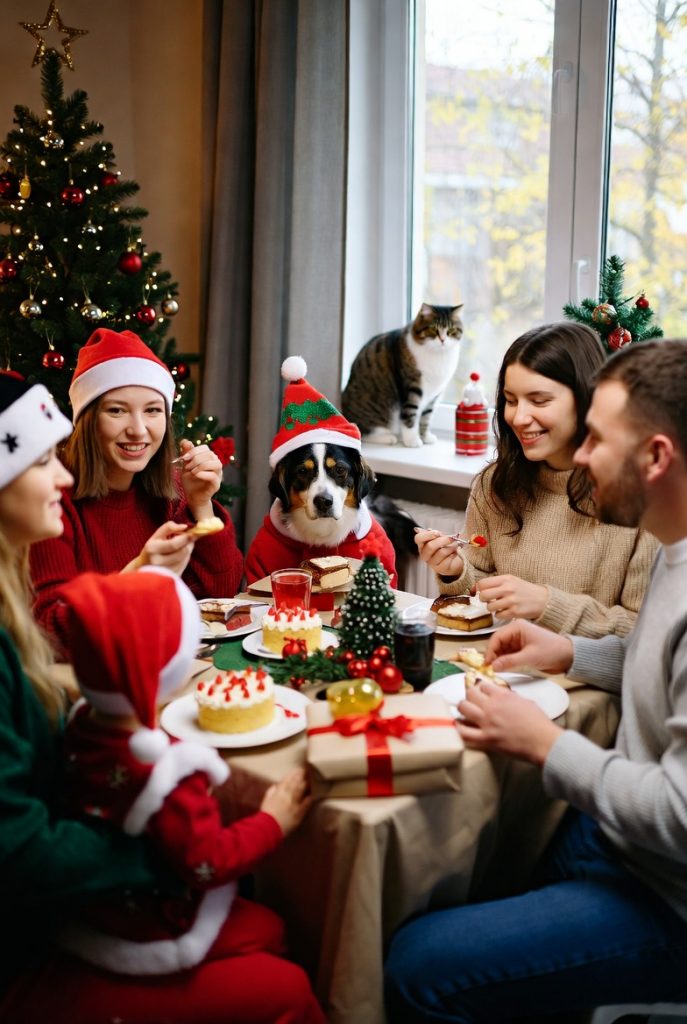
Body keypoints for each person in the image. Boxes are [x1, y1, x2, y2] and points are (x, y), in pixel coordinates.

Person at [0, 372, 324, 1023]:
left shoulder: (15, 594)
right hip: (27, 940)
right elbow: (21, 851)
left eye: (153, 411)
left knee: (272, 927)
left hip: (79, 885)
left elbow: (223, 582)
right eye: (41, 462)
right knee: (288, 986)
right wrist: (166, 851)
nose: (60, 477)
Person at [385, 338, 687, 1021]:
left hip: (665, 898)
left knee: (412, 967)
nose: (578, 456)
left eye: (597, 439)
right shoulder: (674, 548)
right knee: (449, 880)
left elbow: (679, 815)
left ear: (656, 457)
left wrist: (547, 748)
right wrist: (571, 654)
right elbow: (649, 654)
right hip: (613, 837)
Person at [54, 567, 324, 1022]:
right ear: (166, 672)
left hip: (98, 902)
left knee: (270, 926)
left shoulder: (82, 724)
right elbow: (207, 862)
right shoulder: (164, 773)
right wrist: (271, 821)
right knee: (286, 954)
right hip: (152, 919)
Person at [416, 322, 658, 637]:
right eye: (511, 400)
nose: (518, 417)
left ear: (585, 399)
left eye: (539, 401)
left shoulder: (641, 500)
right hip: (499, 667)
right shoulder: (494, 484)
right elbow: (481, 596)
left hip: (583, 680)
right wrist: (456, 572)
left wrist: (547, 604)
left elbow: (644, 634)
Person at [29, 327, 243, 649]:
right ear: (88, 421)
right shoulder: (52, 501)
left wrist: (202, 506)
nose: (138, 430)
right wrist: (139, 573)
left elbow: (221, 595)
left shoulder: (170, 489)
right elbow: (51, 630)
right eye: (117, 410)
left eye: (153, 410)